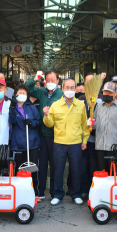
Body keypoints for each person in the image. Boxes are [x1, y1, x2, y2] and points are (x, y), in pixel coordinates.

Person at [42, 78, 89, 206]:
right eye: (67, 88)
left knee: (76, 170)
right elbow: (50, 124)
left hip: (75, 142)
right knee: (58, 170)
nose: (69, 90)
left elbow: (84, 125)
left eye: (72, 87)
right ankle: (57, 194)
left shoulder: (80, 105)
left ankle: (76, 194)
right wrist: (46, 115)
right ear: (62, 89)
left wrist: (84, 140)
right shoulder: (56, 105)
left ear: (75, 89)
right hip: (59, 142)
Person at [26, 70, 64, 200]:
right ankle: (40, 191)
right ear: (44, 81)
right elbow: (28, 88)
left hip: (56, 135)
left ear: (58, 81)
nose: (50, 82)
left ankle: (54, 193)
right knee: (41, 164)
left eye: (53, 80)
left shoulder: (62, 94)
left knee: (55, 165)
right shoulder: (41, 91)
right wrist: (35, 78)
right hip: (41, 135)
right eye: (48, 80)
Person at [9, 84, 41, 197]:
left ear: (27, 95)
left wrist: (31, 123)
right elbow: (11, 121)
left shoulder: (31, 107)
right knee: (19, 168)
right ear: (15, 94)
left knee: (32, 168)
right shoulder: (11, 107)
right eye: (19, 92)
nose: (21, 95)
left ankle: (34, 191)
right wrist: (12, 107)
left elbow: (38, 121)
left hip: (32, 143)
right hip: (18, 143)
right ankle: (20, 191)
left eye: (24, 93)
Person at [91, 82, 117, 172]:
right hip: (100, 146)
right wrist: (90, 124)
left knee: (114, 174)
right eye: (105, 92)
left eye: (109, 92)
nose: (107, 94)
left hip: (115, 147)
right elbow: (95, 124)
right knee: (102, 173)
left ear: (115, 93)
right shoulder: (98, 106)